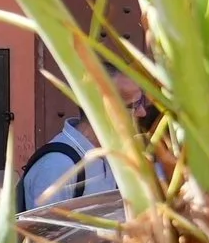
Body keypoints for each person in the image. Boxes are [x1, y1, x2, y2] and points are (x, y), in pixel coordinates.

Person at [19, 71, 151, 210]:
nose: (143, 112)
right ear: (101, 109)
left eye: (142, 101)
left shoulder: (110, 156)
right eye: (134, 105)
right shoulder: (58, 166)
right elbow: (47, 231)